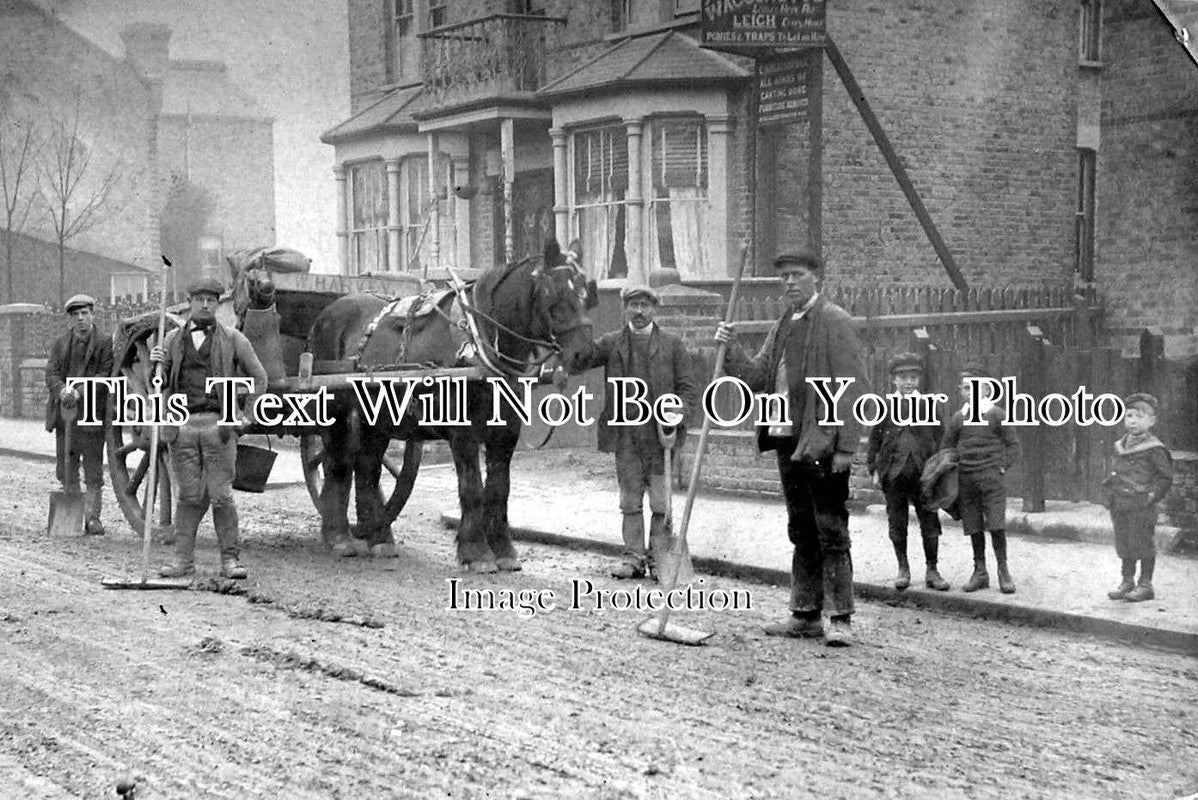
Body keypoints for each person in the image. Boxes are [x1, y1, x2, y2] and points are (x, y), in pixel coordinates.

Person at [714, 250, 866, 647]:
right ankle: (805, 614)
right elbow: (758, 375)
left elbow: (853, 389)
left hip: (821, 442)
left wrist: (847, 447)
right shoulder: (783, 324)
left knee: (830, 527)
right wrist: (729, 348)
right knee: (801, 528)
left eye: (797, 275)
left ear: (817, 278)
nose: (789, 283)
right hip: (786, 439)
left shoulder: (835, 321)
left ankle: (841, 619)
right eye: (783, 277)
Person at [574, 284, 698, 579]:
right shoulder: (612, 343)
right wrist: (577, 325)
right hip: (626, 437)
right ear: (624, 308)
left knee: (660, 502)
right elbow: (582, 358)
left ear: (655, 308)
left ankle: (658, 559)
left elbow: (689, 392)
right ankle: (632, 558)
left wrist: (675, 410)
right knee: (630, 501)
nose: (639, 311)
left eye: (645, 305)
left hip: (659, 438)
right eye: (633, 305)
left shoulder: (672, 345)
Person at [150, 277, 268, 580]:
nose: (205, 304)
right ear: (190, 302)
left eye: (211, 300)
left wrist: (248, 415)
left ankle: (230, 561)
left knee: (221, 496)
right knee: (188, 496)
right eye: (200, 299)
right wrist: (156, 365)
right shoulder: (171, 341)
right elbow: (157, 385)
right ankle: (182, 562)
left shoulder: (233, 339)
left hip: (219, 428)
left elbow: (260, 377)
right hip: (183, 428)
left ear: (217, 304)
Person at [866, 352, 949, 591]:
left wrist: (939, 466)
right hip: (894, 473)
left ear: (919, 380)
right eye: (903, 377)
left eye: (913, 377)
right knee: (897, 521)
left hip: (924, 474)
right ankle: (903, 568)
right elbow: (874, 439)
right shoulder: (886, 405)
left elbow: (941, 436)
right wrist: (873, 468)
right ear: (894, 380)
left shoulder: (929, 405)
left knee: (929, 520)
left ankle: (932, 570)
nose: (909, 382)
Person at [940, 360, 1021, 594]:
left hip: (992, 479)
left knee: (996, 524)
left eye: (973, 387)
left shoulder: (996, 414)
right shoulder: (958, 418)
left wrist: (1001, 467)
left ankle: (1003, 571)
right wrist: (953, 466)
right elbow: (947, 447)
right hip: (967, 480)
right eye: (964, 388)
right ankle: (980, 571)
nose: (967, 392)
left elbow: (1014, 446)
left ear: (986, 390)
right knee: (973, 525)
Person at [45, 294, 114, 535]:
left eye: (85, 313)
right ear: (70, 319)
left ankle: (92, 518)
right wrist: (63, 390)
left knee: (94, 471)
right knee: (67, 468)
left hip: (92, 416)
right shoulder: (60, 344)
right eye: (76, 315)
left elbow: (105, 373)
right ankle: (72, 517)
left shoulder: (104, 342)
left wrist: (81, 391)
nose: (81, 319)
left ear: (92, 315)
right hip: (66, 418)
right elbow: (51, 374)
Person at [1103, 393, 1173, 602]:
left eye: (1139, 417)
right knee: (1124, 542)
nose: (1133, 421)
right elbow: (1114, 472)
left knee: (1141, 543)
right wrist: (1109, 496)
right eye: (1129, 416)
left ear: (1152, 421)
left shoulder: (1154, 448)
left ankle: (1145, 584)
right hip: (1121, 503)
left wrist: (1151, 496)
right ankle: (1127, 581)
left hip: (1142, 504)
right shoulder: (1120, 445)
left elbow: (1165, 477)